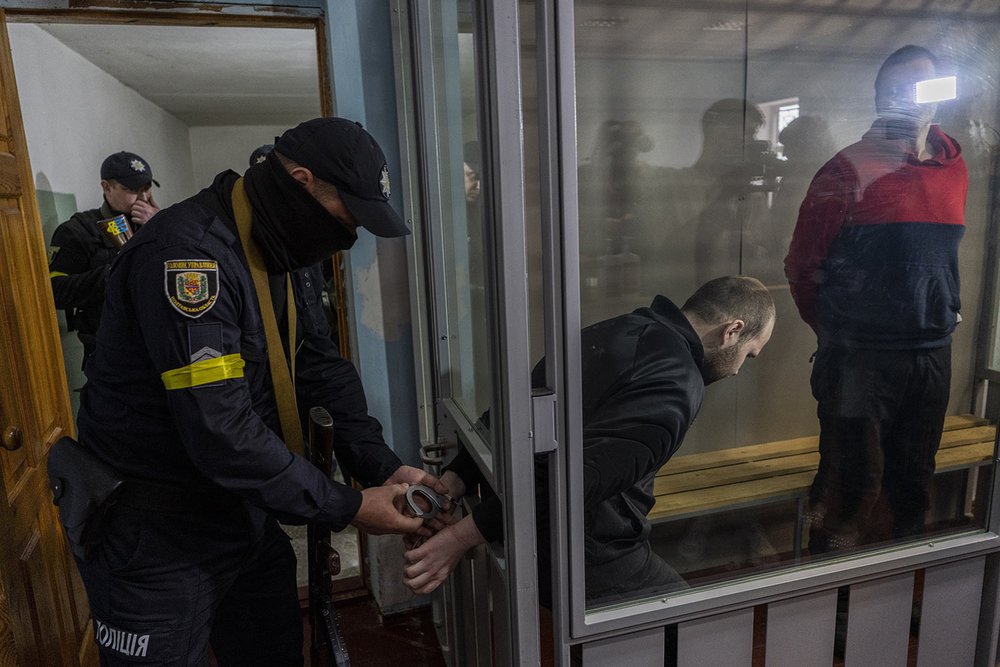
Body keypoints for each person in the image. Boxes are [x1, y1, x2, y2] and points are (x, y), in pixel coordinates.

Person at [69, 117, 448, 665]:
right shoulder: (189, 256)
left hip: (239, 507)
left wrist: (380, 467)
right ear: (301, 183)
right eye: (349, 218)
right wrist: (346, 505)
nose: (352, 236)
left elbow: (318, 363)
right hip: (156, 532)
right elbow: (220, 430)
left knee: (271, 651)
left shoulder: (276, 245)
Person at [403, 276, 775, 605]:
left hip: (544, 533)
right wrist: (459, 538)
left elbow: (508, 416)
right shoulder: (677, 385)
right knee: (694, 633)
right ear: (732, 330)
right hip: (589, 552)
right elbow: (573, 482)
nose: (741, 368)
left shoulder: (617, 329)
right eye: (750, 354)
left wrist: (450, 483)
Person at [784, 45, 967, 553]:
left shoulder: (955, 168)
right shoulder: (848, 169)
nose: (911, 99)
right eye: (898, 89)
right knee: (849, 485)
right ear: (881, 98)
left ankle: (893, 601)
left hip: (932, 352)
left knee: (912, 480)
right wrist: (840, 337)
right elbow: (803, 267)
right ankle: (831, 610)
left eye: (924, 87)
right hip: (861, 357)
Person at [48, 151, 160, 367]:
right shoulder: (78, 230)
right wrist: (114, 273)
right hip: (111, 353)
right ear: (106, 187)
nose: (143, 198)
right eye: (131, 190)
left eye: (146, 188)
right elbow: (55, 291)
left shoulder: (154, 221)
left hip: (157, 344)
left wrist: (160, 226)